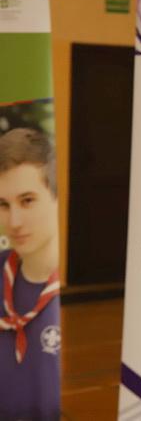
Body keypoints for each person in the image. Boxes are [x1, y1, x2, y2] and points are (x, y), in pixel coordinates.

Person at [0, 127, 61, 420]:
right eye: (3, 205)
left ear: (56, 198)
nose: (14, 221)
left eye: (27, 200)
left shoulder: (63, 301)